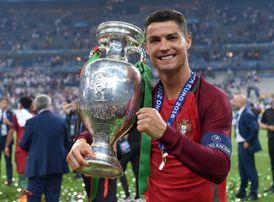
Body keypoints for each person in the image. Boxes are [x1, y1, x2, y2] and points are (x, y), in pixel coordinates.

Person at [67, 9, 232, 201]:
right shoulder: (145, 99)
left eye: (172, 38)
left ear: (187, 41)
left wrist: (166, 134)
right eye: (155, 40)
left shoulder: (211, 98)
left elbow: (219, 167)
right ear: (146, 47)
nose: (164, 47)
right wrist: (81, 140)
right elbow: (107, 117)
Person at [20, 94, 69, 201]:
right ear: (49, 105)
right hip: (56, 165)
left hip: (36, 166)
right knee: (53, 197)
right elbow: (67, 143)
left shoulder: (31, 122)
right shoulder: (61, 121)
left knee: (32, 197)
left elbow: (23, 144)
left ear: (36, 105)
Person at [5, 96, 33, 201]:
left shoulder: (16, 115)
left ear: (20, 104)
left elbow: (12, 131)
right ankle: (32, 194)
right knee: (31, 171)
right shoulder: (33, 115)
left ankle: (25, 196)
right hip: (32, 148)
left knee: (22, 173)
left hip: (20, 148)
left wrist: (7, 145)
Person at [232, 94, 261, 200]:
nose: (233, 103)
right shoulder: (241, 113)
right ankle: (242, 191)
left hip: (245, 145)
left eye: (234, 101)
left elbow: (255, 128)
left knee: (249, 169)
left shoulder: (246, 114)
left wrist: (248, 141)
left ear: (240, 102)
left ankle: (254, 192)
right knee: (242, 169)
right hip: (241, 144)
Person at [0, 96, 13, 186]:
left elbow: (14, 126)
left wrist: (8, 123)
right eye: (2, 102)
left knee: (8, 161)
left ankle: (9, 180)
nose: (4, 104)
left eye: (6, 103)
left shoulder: (10, 113)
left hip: (7, 139)